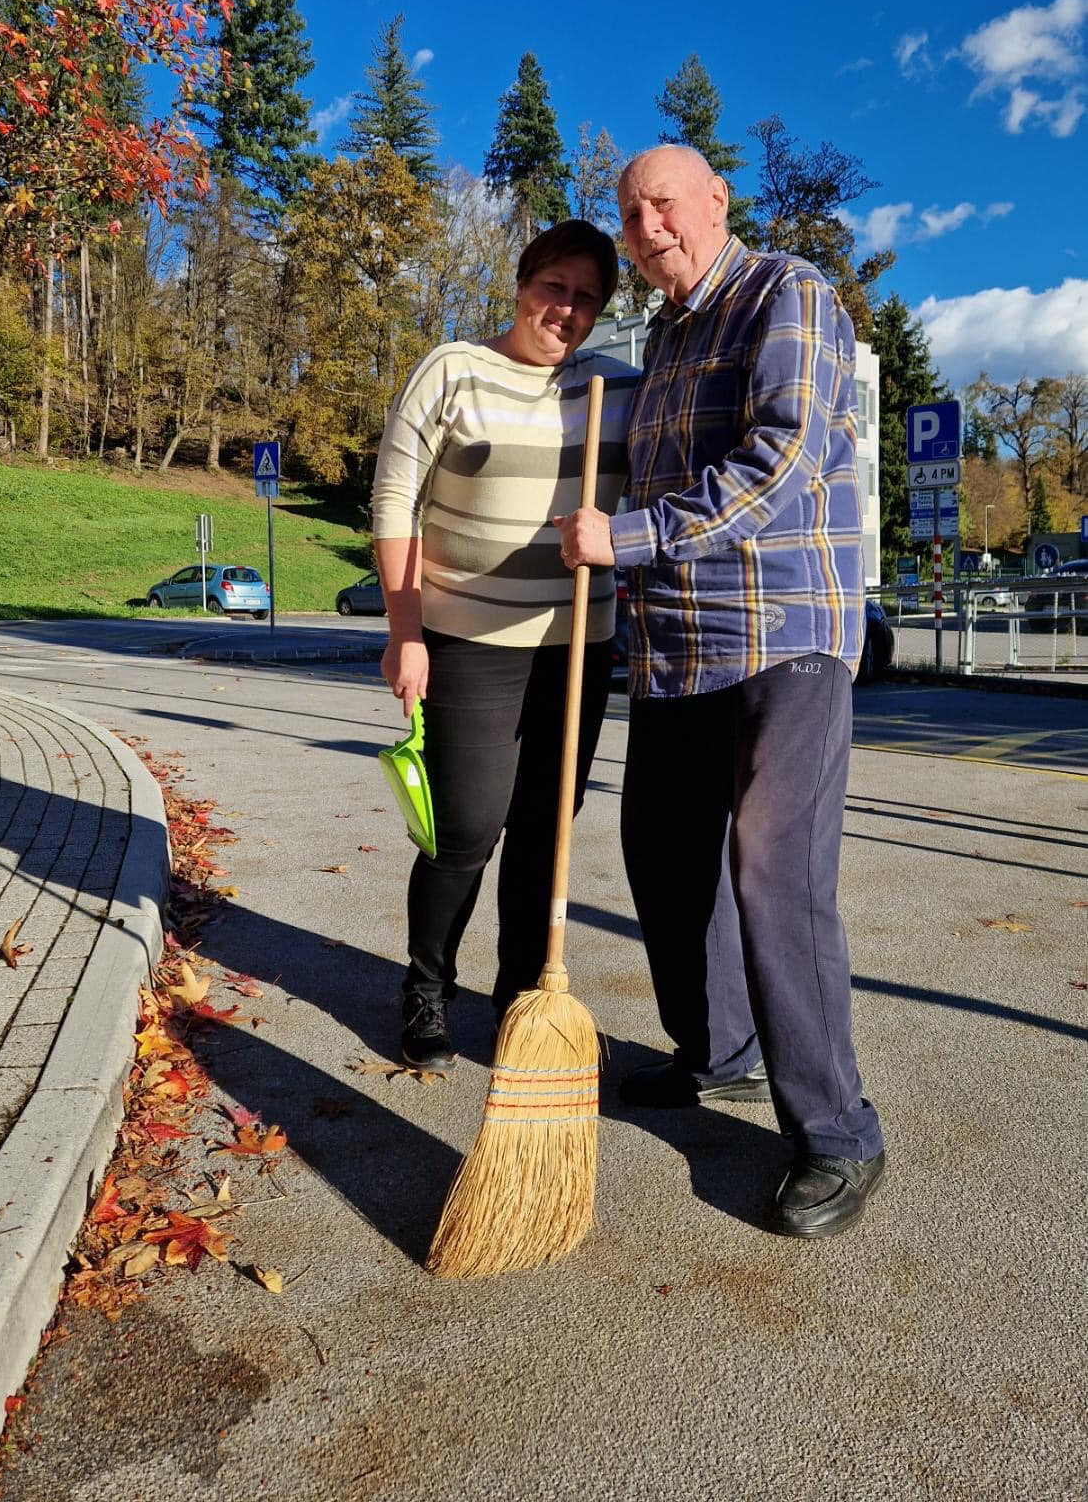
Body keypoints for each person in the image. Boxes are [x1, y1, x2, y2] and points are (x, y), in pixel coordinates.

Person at [557, 145, 886, 1238]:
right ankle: (721, 1057)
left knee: (773, 874)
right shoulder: (660, 336)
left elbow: (785, 456)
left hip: (786, 633)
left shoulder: (785, 292)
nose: (648, 224)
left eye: (665, 204)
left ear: (716, 204)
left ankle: (837, 1134)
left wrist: (631, 537)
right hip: (677, 649)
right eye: (629, 210)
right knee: (660, 854)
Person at [372, 220, 640, 1071]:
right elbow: (393, 505)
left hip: (577, 648)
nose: (565, 307)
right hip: (471, 640)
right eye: (553, 285)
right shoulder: (452, 370)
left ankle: (523, 998)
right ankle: (426, 991)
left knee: (545, 830)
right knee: (466, 829)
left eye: (587, 296)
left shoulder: (618, 390)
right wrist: (405, 634)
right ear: (522, 282)